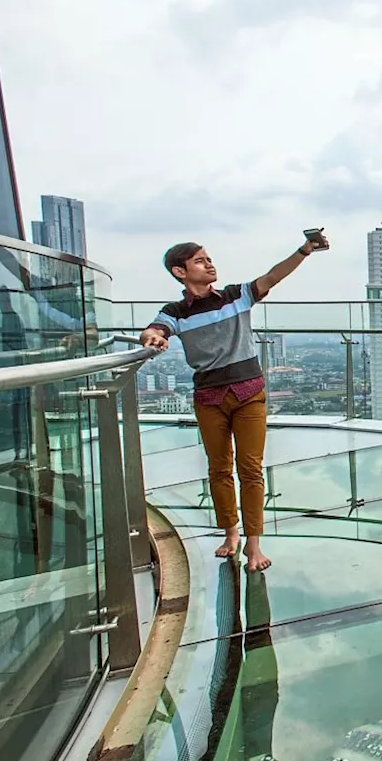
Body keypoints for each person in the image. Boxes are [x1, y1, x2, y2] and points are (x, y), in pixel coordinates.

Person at [140, 233, 330, 572]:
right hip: (210, 397)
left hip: (249, 395)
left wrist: (305, 250)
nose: (209, 263)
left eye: (208, 258)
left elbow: (274, 275)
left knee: (251, 469)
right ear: (180, 272)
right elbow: (156, 329)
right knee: (219, 469)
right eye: (200, 260)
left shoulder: (235, 295)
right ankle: (231, 535)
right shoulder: (176, 312)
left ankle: (254, 545)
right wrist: (152, 338)